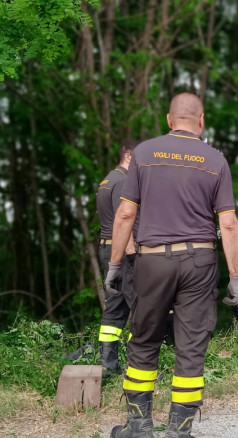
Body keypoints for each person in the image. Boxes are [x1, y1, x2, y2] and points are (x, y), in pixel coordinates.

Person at [105, 93, 238, 438]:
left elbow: (124, 215)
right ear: (201, 121)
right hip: (199, 260)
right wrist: (235, 277)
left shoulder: (145, 154)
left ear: (169, 119)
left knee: (144, 340)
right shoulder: (215, 160)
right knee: (191, 345)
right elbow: (227, 223)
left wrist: (115, 266)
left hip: (151, 261)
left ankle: (139, 429)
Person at [95, 139, 139, 377]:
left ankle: (108, 363)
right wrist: (132, 257)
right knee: (140, 307)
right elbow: (124, 220)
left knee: (115, 306)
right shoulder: (123, 181)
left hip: (107, 248)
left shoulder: (107, 180)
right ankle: (139, 367)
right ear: (129, 156)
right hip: (121, 251)